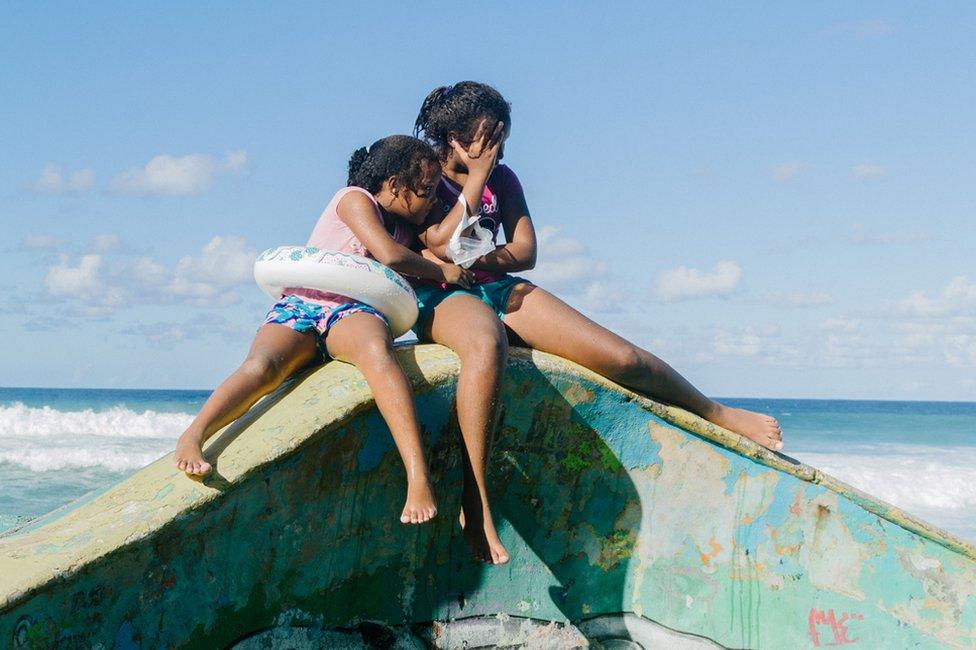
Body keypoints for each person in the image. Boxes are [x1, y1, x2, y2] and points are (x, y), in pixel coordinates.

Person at [410, 81, 784, 562]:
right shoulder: (420, 171)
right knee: (487, 349)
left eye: (504, 135)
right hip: (436, 293)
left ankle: (715, 411)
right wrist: (473, 185)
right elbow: (436, 249)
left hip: (492, 284)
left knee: (621, 357)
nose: (499, 147)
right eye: (490, 136)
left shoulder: (505, 180)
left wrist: (478, 247)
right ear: (456, 136)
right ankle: (476, 500)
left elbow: (526, 252)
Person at [174, 135, 473, 525]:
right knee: (262, 366)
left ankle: (417, 477)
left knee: (377, 356)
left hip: (355, 310)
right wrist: (444, 272)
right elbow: (389, 256)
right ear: (397, 187)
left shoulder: (405, 227)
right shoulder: (354, 199)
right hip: (305, 302)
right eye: (427, 191)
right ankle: (194, 435)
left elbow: (428, 247)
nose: (433, 200)